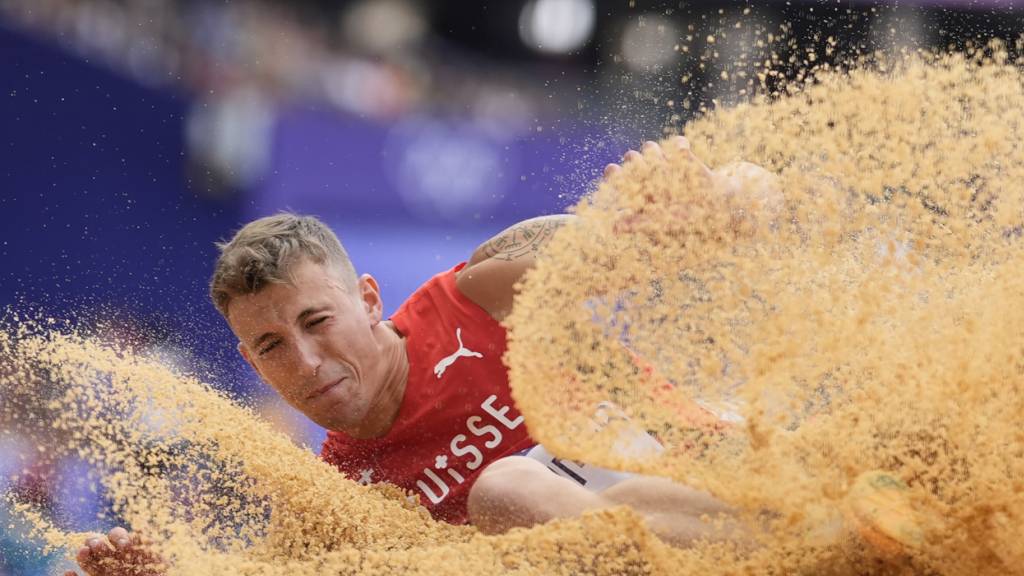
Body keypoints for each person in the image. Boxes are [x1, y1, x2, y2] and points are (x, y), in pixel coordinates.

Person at [68, 137, 775, 576]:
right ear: (251, 365)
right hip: (640, 555)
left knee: (506, 491)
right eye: (273, 347)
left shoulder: (484, 292)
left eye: (319, 322)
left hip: (721, 484)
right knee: (509, 498)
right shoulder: (336, 501)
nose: (308, 362)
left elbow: (746, 205)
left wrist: (707, 200)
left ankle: (799, 541)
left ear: (370, 301)